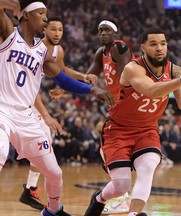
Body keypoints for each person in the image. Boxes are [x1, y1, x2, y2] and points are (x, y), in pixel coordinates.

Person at [0, 1, 113, 216]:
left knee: (54, 173)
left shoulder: (42, 51)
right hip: (2, 109)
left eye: (46, 14)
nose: (45, 18)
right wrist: (8, 4)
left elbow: (61, 79)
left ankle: (52, 211)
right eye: (41, 13)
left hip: (26, 115)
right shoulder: (8, 34)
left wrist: (92, 90)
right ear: (25, 16)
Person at [84, 27, 181, 216]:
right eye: (153, 44)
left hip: (147, 130)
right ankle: (99, 198)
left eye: (163, 43)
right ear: (143, 47)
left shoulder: (175, 70)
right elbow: (151, 90)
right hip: (119, 129)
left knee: (148, 167)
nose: (159, 48)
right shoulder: (133, 68)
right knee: (120, 186)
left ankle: (133, 214)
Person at [50, 19, 133, 215]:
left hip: (127, 103)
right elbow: (87, 80)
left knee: (108, 148)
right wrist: (65, 90)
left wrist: (125, 98)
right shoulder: (100, 53)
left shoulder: (119, 47)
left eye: (107, 30)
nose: (103, 33)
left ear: (115, 33)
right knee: (108, 150)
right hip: (117, 107)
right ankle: (123, 195)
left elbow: (127, 76)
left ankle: (122, 197)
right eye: (100, 30)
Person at [19, 16, 98, 211]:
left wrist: (82, 77)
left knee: (44, 139)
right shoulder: (33, 46)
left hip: (27, 100)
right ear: (44, 30)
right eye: (53, 29)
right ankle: (29, 189)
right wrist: (45, 114)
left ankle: (30, 188)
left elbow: (61, 71)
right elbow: (31, 87)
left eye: (60, 30)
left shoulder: (57, 50)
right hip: (17, 97)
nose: (57, 33)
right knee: (40, 138)